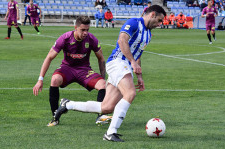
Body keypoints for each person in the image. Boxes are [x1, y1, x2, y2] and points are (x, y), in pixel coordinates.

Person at [53, 5, 166, 142]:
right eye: (159, 20)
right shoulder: (134, 23)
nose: (160, 24)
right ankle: (110, 133)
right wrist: (132, 61)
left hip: (125, 66)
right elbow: (122, 41)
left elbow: (138, 55)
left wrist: (139, 76)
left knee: (106, 107)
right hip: (118, 62)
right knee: (130, 94)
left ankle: (68, 104)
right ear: (152, 14)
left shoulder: (148, 33)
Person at [33, 16, 109, 127]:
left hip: (84, 70)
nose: (85, 33)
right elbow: (49, 57)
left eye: (87, 30)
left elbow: (101, 59)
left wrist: (103, 77)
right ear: (75, 28)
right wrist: (40, 79)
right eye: (83, 30)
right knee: (54, 80)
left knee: (103, 84)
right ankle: (55, 117)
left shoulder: (91, 39)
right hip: (67, 69)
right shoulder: (65, 38)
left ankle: (100, 116)